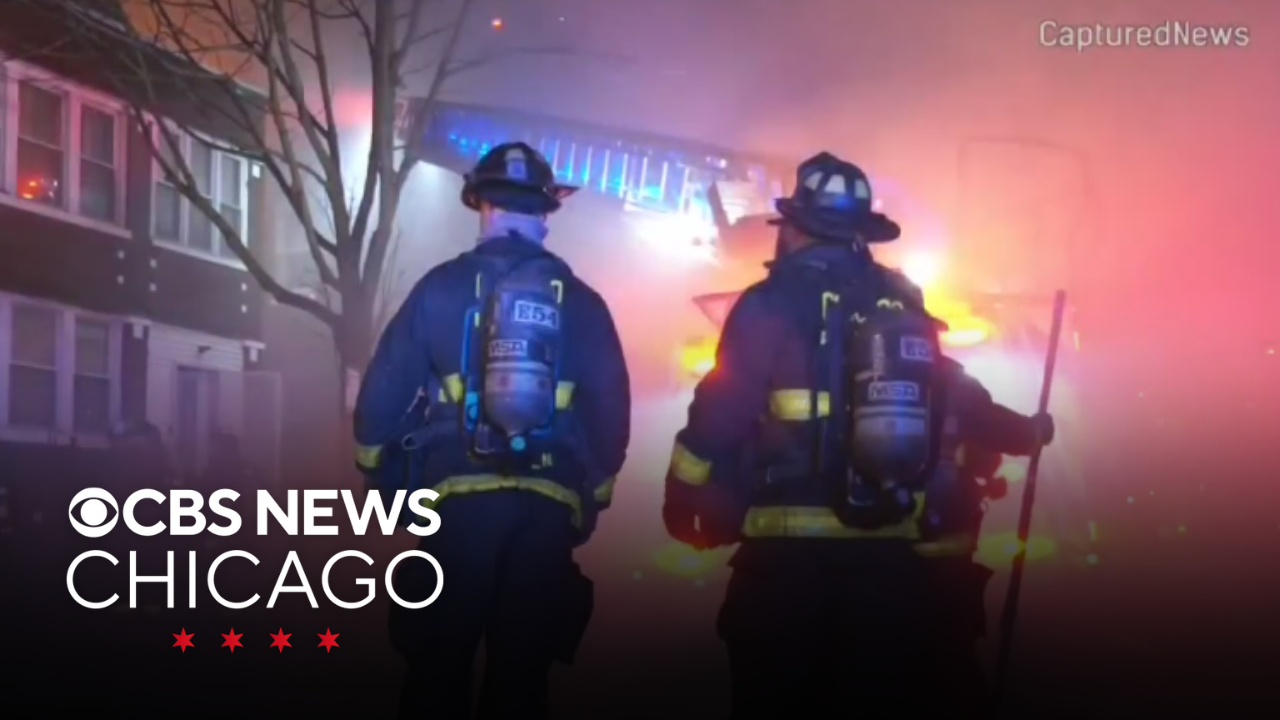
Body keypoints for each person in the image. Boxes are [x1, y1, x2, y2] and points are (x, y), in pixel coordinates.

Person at [660, 151, 1052, 716]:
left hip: (786, 563)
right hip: (889, 560)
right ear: (862, 233)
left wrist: (682, 494)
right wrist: (1029, 431)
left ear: (794, 227)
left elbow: (722, 409)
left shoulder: (769, 302)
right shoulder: (901, 304)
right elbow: (951, 393)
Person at [353, 142, 631, 720]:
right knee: (521, 679)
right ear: (546, 212)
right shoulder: (584, 304)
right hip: (547, 506)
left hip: (456, 505)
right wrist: (594, 493)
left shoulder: (440, 287)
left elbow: (384, 390)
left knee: (438, 667)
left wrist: (376, 468)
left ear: (481, 204)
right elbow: (610, 411)